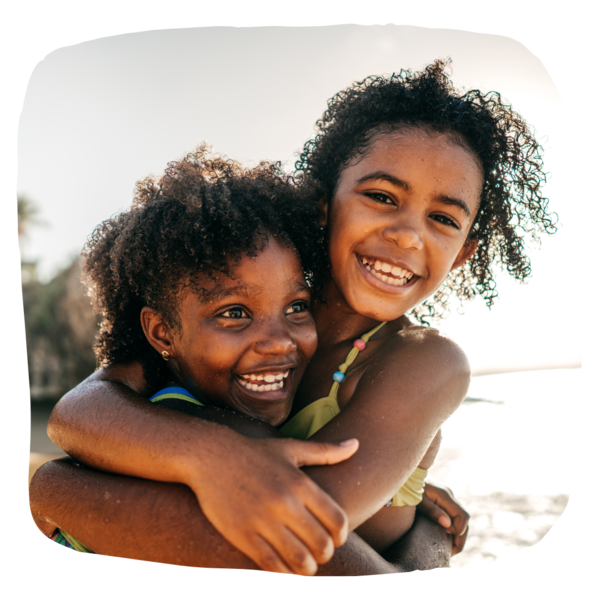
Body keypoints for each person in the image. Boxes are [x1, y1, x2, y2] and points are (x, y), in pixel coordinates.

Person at [28, 60, 555, 574]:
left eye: (443, 218)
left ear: (462, 253)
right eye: (380, 196)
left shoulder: (426, 363)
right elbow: (81, 411)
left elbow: (287, 537)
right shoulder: (245, 303)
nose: (408, 235)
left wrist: (53, 489)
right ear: (325, 205)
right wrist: (210, 458)